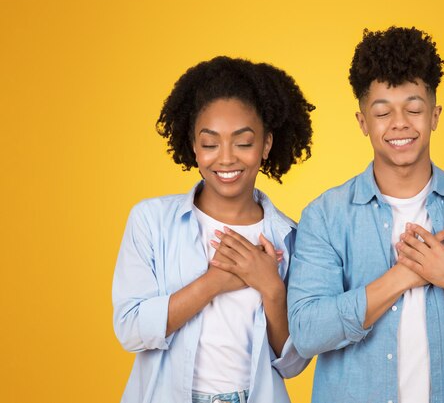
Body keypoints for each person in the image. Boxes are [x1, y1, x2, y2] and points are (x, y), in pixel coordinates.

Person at [287, 26, 444, 403]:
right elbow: (306, 333)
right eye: (383, 112)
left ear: (434, 116)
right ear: (362, 122)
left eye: (414, 108)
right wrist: (404, 275)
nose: (400, 123)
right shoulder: (325, 216)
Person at [112, 56, 314, 403]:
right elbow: (130, 329)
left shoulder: (290, 237)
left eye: (243, 142)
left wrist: (271, 289)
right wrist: (214, 282)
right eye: (209, 143)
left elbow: (293, 363)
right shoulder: (151, 221)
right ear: (193, 145)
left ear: (266, 145)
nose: (225, 158)